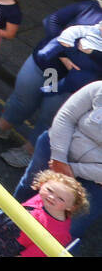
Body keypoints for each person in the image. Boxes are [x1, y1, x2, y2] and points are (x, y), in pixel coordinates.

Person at [0, 0, 102, 168]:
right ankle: (1, 127)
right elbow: (53, 21)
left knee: (50, 115)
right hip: (50, 67)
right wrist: (65, 51)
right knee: (23, 97)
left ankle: (29, 151)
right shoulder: (90, 7)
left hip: (74, 81)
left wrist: (88, 55)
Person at [9, 80, 102, 243]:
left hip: (96, 178)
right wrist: (59, 157)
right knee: (30, 186)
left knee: (73, 222)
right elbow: (66, 117)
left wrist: (73, 170)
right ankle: (6, 223)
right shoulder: (99, 87)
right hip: (56, 148)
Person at [0, 168, 87, 257]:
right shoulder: (42, 198)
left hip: (20, 247)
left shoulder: (60, 232)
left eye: (60, 198)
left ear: (71, 207)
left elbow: (40, 251)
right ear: (43, 184)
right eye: (50, 190)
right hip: (10, 228)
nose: (51, 197)